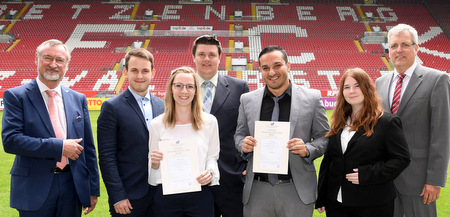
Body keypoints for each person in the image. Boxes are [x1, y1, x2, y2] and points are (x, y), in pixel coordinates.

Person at [1, 39, 100, 217]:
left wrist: (92, 188)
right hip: (34, 187)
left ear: (67, 65)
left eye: (60, 60)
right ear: (36, 59)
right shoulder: (16, 96)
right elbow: (11, 141)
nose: (53, 64)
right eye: (48, 58)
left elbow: (89, 148)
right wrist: (60, 147)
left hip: (72, 186)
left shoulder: (78, 98)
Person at [234, 45, 329, 217]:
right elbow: (239, 135)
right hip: (257, 190)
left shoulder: (312, 97)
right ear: (260, 70)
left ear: (288, 65)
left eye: (277, 65)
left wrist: (308, 149)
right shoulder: (247, 100)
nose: (271, 72)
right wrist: (243, 145)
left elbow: (325, 137)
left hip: (295, 189)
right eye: (265, 68)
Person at [375, 23, 450, 217]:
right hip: (385, 178)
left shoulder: (437, 79)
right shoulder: (380, 82)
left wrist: (434, 180)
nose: (399, 50)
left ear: (416, 48)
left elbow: (441, 134)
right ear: (388, 50)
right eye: (393, 46)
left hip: (418, 179)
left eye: (405, 45)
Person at [315, 68, 411, 217]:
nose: (351, 91)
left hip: (372, 204)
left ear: (367, 88)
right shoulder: (339, 122)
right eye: (347, 87)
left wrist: (368, 174)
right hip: (336, 204)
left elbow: (401, 159)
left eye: (357, 85)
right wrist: (322, 196)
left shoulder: (386, 122)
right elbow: (329, 161)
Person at [97, 48, 164, 216]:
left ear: (153, 73)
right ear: (125, 72)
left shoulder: (163, 106)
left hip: (161, 195)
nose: (140, 76)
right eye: (134, 70)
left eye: (145, 71)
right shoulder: (111, 107)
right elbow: (107, 157)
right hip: (129, 198)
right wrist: (118, 196)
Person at [148, 66, 220, 217]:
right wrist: (154, 163)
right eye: (178, 86)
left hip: (200, 194)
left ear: (195, 90)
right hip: (166, 197)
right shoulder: (156, 124)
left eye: (189, 86)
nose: (184, 91)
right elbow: (153, 170)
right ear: (171, 88)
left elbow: (212, 157)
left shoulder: (210, 122)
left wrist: (210, 172)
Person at [192, 35, 249, 217]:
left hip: (232, 177)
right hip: (193, 178)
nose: (206, 59)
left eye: (211, 54)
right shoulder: (182, 87)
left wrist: (250, 164)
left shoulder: (239, 87)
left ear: (219, 57)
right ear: (194, 57)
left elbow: (248, 128)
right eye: (201, 54)